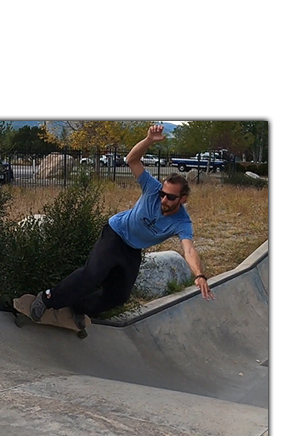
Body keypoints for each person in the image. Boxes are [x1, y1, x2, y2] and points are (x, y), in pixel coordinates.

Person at [30, 124, 215, 324]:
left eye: (170, 197)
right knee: (92, 275)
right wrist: (149, 141)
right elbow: (131, 160)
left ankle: (79, 308)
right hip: (115, 234)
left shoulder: (182, 222)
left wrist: (199, 275)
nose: (163, 200)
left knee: (119, 296)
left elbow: (188, 250)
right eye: (163, 194)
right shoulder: (151, 188)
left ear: (183, 199)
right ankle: (47, 299)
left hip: (133, 249)